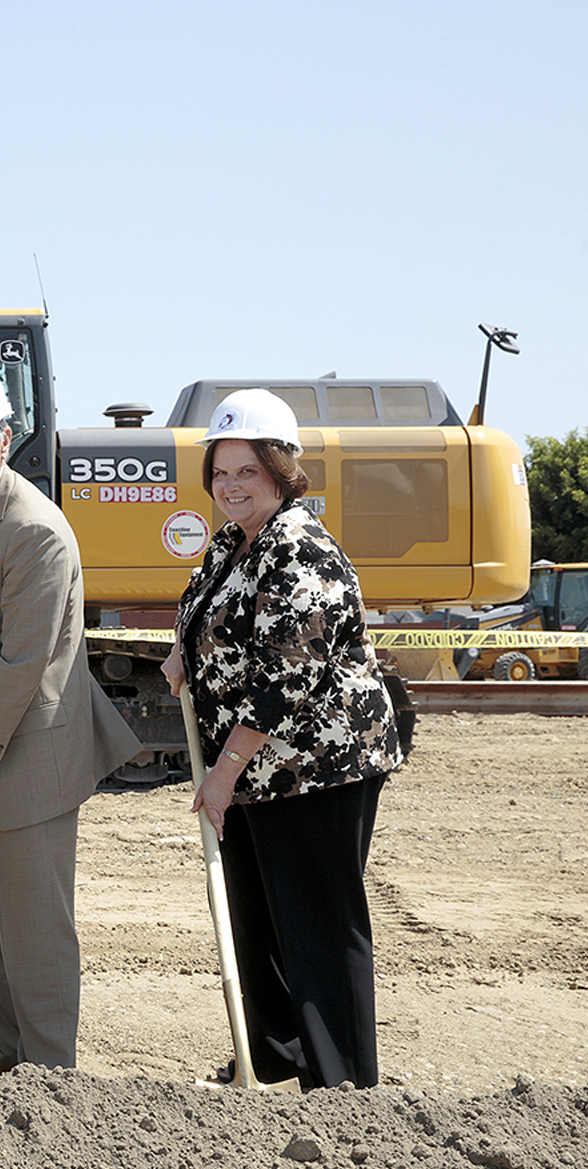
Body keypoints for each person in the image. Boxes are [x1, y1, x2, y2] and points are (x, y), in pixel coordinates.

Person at [162, 388, 403, 1089]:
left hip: (315, 765)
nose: (231, 485)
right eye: (221, 472)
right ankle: (274, 1054)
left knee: (318, 925)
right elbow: (207, 616)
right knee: (261, 917)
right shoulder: (234, 543)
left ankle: (341, 1083)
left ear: (280, 468)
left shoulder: (297, 544)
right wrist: (185, 651)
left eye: (248, 471)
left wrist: (225, 771)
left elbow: (290, 675)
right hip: (261, 771)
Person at [0, 360, 141, 1082]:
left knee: (35, 930)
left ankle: (49, 1076)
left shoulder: (36, 530)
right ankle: (9, 1050)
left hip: (27, 760)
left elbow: (21, 668)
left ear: (5, 438)